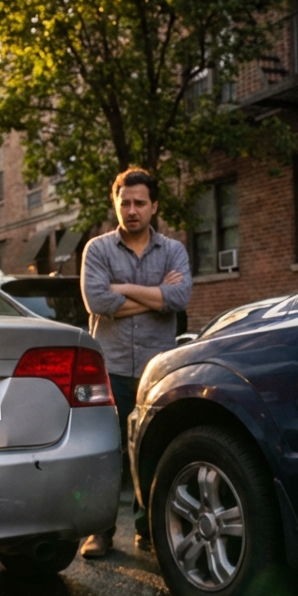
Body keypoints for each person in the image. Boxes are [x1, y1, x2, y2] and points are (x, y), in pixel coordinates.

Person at [79, 167, 192, 559]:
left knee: (151, 452)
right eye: (124, 202)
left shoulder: (174, 250)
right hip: (108, 368)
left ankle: (148, 530)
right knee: (107, 454)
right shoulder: (97, 250)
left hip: (156, 371)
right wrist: (156, 295)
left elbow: (178, 300)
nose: (131, 210)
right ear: (116, 203)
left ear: (154, 206)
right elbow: (97, 301)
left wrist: (123, 288)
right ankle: (100, 532)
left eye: (139, 203)